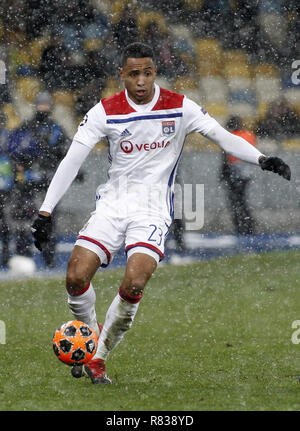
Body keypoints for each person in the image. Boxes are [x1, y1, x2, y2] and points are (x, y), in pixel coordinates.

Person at [31, 42, 291, 385]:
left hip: (152, 210)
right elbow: (71, 160)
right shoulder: (104, 112)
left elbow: (221, 136)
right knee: (76, 278)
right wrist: (45, 212)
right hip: (112, 204)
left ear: (155, 73)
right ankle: (90, 333)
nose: (141, 81)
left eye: (148, 73)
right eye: (134, 74)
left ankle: (99, 358)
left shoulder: (179, 107)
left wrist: (260, 158)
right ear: (122, 75)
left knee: (134, 282)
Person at [9, 91, 69, 267]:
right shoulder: (25, 127)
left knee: (48, 220)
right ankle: (23, 256)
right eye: (41, 104)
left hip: (48, 181)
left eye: (46, 104)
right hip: (27, 182)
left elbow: (66, 154)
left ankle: (49, 258)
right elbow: (15, 152)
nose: (43, 108)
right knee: (23, 220)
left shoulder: (56, 129)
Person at [219, 116, 257, 235]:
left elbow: (226, 158)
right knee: (242, 200)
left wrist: (223, 173)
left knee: (236, 201)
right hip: (246, 173)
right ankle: (248, 224)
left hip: (235, 173)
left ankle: (242, 225)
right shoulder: (249, 135)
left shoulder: (230, 137)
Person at [0, 110, 13, 267]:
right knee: (5, 224)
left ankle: (6, 254)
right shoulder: (9, 138)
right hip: (6, 186)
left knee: (6, 224)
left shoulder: (9, 138)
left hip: (6, 187)